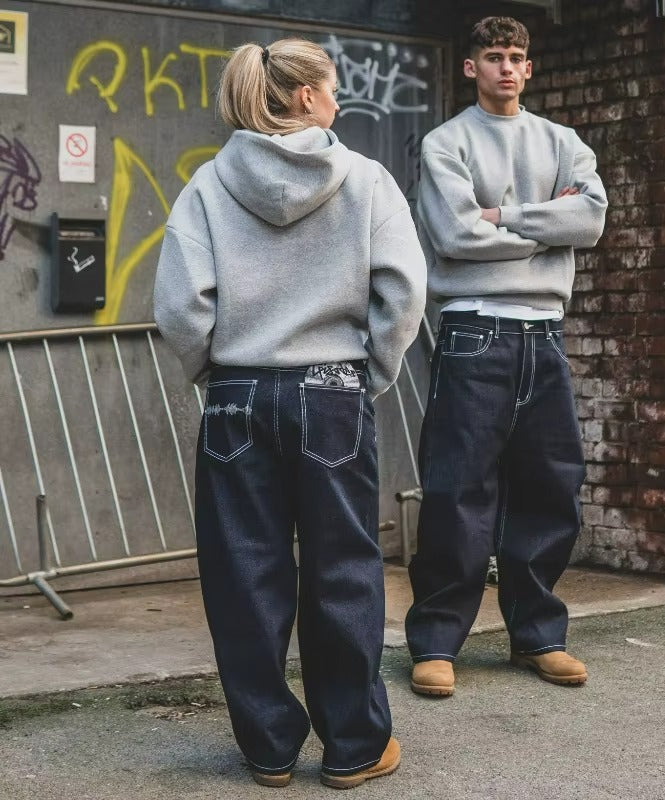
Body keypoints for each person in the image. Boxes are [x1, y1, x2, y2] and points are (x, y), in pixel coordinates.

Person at [153, 39, 426, 788]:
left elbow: (180, 306)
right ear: (305, 96)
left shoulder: (208, 185)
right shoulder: (366, 180)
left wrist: (216, 371)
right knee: (344, 570)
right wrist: (365, 376)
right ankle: (355, 747)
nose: (337, 99)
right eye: (331, 87)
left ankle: (269, 748)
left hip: (238, 394)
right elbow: (403, 291)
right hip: (333, 390)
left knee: (243, 573)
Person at [405, 16, 607, 697]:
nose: (507, 68)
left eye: (517, 56)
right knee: (458, 490)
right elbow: (456, 237)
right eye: (494, 56)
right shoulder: (446, 143)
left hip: (545, 334)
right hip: (474, 330)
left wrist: (503, 216)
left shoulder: (562, 141)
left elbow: (590, 219)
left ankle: (539, 635)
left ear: (529, 66)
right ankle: (437, 643)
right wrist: (547, 221)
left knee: (551, 487)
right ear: (472, 67)